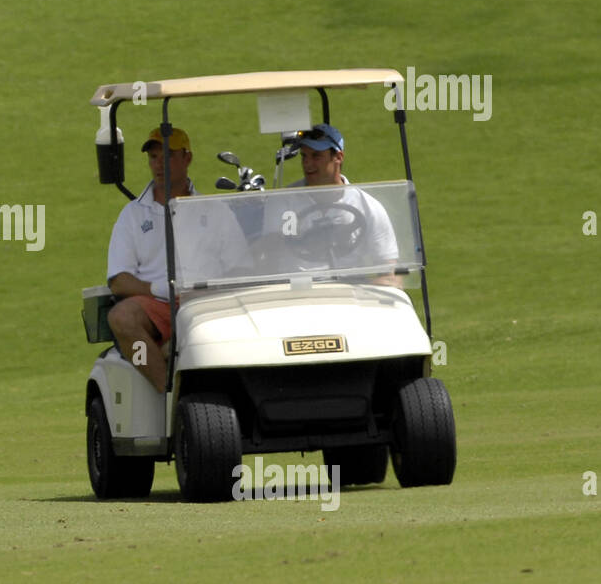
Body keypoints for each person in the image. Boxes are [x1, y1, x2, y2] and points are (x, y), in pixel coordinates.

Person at [106, 127, 247, 392]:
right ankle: (170, 393)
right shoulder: (133, 215)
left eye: (167, 156)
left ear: (187, 158)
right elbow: (119, 280)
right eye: (154, 157)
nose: (159, 164)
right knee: (122, 318)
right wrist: (157, 289)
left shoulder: (214, 210)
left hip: (207, 303)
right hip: (157, 307)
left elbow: (240, 267)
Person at [266, 122, 399, 283]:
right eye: (304, 156)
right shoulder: (283, 203)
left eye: (316, 156)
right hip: (299, 291)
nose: (307, 163)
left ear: (338, 157)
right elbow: (270, 255)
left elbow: (389, 269)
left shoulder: (368, 206)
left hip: (350, 290)